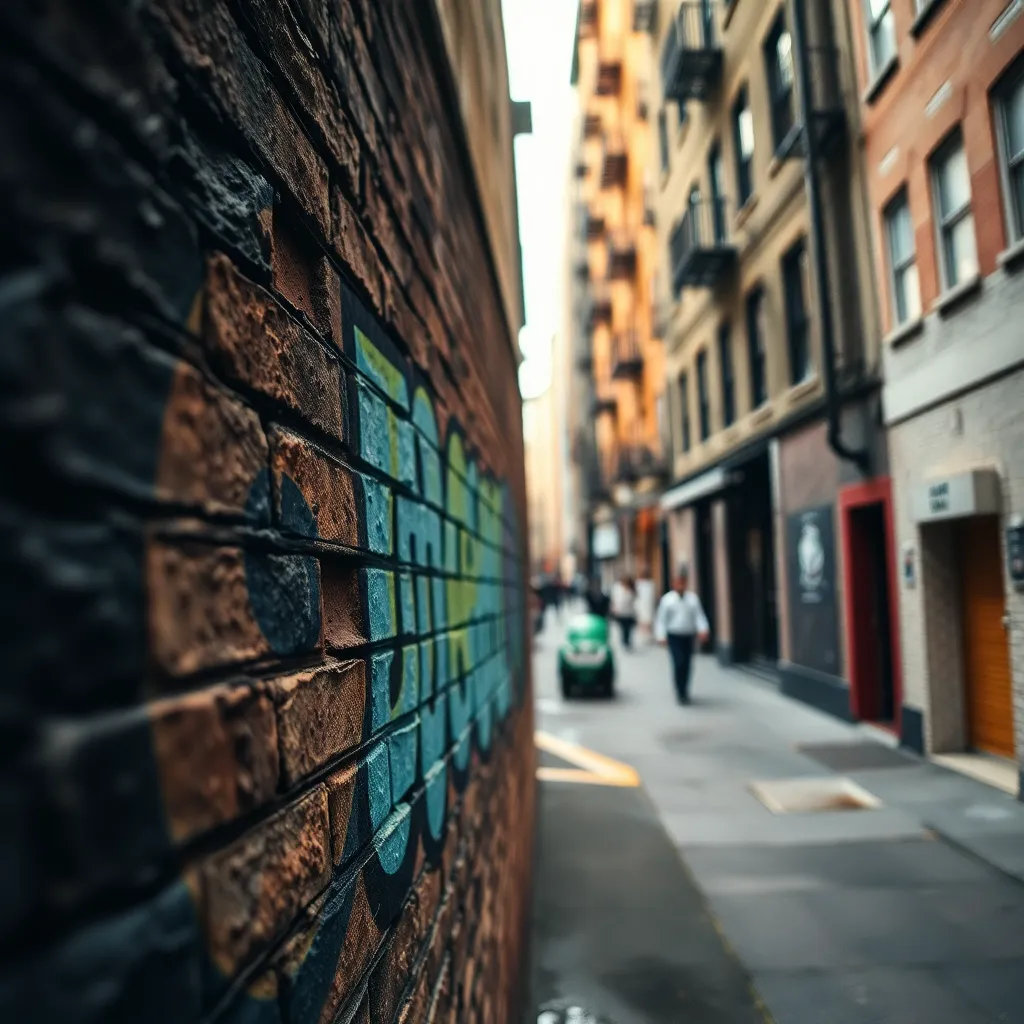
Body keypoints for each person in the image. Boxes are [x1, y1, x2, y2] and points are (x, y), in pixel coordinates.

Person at [654, 565, 710, 704]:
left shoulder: (692, 599)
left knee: (687, 663)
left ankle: (685, 689)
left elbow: (699, 616)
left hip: (688, 635)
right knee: (678, 661)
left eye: (683, 583)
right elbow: (661, 620)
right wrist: (661, 636)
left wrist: (703, 629)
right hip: (674, 635)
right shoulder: (667, 600)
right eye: (678, 582)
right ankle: (679, 689)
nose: (680, 585)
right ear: (674, 584)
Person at [610, 576, 638, 650]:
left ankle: (627, 641)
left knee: (628, 628)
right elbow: (615, 600)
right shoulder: (618, 589)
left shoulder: (631, 591)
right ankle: (624, 641)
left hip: (629, 613)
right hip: (621, 613)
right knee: (623, 628)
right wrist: (614, 608)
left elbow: (634, 601)